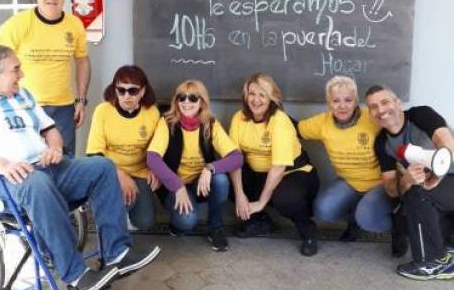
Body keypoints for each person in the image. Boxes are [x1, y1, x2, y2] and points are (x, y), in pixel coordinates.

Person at [0, 45, 160, 290]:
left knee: (103, 167)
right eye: (15, 70)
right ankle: (76, 276)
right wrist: (2, 163)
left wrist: (55, 147)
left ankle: (117, 252)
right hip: (5, 179)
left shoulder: (23, 94)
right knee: (38, 184)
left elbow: (50, 129)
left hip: (47, 168)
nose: (22, 75)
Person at [0, 0, 90, 156]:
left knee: (64, 163)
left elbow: (83, 61)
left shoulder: (74, 24)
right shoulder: (17, 24)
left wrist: (81, 100)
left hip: (64, 109)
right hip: (25, 107)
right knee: (30, 163)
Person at [365, 84, 454, 280]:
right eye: (373, 107)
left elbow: (447, 144)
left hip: (449, 175)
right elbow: (391, 189)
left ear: (398, 102)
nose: (380, 110)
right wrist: (405, 179)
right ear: (370, 114)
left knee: (418, 192)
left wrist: (435, 176)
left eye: (385, 102)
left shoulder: (421, 115)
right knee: (411, 194)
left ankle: (432, 262)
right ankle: (448, 245)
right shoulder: (382, 143)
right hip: (443, 190)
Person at [297, 76, 395, 248]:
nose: (342, 106)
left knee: (367, 218)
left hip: (381, 183)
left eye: (348, 100)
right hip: (349, 182)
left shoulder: (372, 117)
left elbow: (399, 125)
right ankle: (354, 221)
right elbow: (293, 129)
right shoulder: (322, 122)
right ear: (328, 102)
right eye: (336, 100)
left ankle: (399, 230)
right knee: (323, 209)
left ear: (356, 101)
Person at [229, 73, 320, 256]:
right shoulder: (239, 118)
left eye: (262, 95)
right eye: (252, 93)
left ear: (272, 98)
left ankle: (308, 231)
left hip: (293, 172)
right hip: (260, 174)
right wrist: (239, 194)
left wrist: (261, 202)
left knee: (285, 198)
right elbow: (234, 159)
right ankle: (260, 221)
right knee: (225, 179)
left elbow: (278, 167)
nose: (255, 100)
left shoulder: (279, 120)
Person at [146, 79, 242, 252]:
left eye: (193, 98)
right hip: (174, 187)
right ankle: (178, 224)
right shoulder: (166, 123)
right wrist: (177, 185)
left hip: (200, 184)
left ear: (202, 102)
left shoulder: (210, 124)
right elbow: (152, 158)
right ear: (176, 101)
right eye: (181, 97)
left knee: (220, 180)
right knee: (187, 221)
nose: (186, 102)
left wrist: (210, 168)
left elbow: (236, 157)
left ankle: (216, 228)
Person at [87, 65, 160, 230]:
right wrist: (119, 174)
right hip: (110, 172)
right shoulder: (102, 111)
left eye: (133, 91)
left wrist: (155, 169)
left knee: (145, 222)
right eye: (121, 90)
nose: (127, 96)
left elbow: (157, 148)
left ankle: (124, 216)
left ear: (142, 91)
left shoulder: (152, 113)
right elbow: (94, 153)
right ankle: (114, 238)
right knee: (120, 204)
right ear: (115, 90)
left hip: (140, 173)